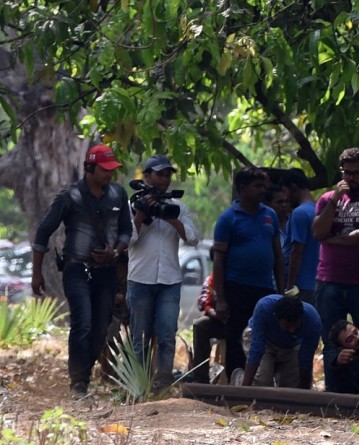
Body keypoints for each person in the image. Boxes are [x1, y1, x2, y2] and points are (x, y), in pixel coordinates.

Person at [31, 144, 133, 398]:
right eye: (104, 169)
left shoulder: (118, 195)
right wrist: (37, 273)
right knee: (83, 322)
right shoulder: (70, 197)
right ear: (90, 168)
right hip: (77, 269)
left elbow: (126, 231)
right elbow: (43, 232)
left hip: (107, 270)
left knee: (101, 326)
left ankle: (82, 373)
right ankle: (79, 383)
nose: (109, 174)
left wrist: (116, 252)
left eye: (112, 169)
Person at [311, 147, 359, 391]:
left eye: (356, 173)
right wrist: (335, 199)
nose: (350, 178)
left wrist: (332, 239)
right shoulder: (327, 199)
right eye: (346, 173)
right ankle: (335, 395)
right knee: (332, 343)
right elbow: (317, 232)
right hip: (329, 280)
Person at [126, 154, 199, 392]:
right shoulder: (133, 205)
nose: (164, 179)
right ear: (146, 176)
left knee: (167, 334)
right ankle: (140, 384)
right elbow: (128, 240)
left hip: (170, 280)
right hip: (140, 278)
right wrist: (141, 213)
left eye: (168, 174)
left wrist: (171, 218)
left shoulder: (178, 207)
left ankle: (163, 384)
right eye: (159, 174)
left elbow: (193, 238)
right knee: (140, 336)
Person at [213, 167, 284, 381]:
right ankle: (235, 384)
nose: (263, 190)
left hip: (265, 289)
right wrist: (221, 299)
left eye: (264, 186)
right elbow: (219, 260)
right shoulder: (228, 218)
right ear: (243, 189)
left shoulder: (270, 215)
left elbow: (278, 256)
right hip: (237, 288)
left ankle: (261, 382)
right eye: (258, 186)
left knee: (264, 337)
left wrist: (280, 292)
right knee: (236, 338)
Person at [232, 295, 321, 389]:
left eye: (295, 326)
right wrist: (244, 388)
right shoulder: (264, 308)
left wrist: (304, 392)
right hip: (262, 339)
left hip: (291, 346)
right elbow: (256, 349)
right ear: (276, 317)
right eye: (287, 326)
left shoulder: (313, 321)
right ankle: (239, 380)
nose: (292, 330)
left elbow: (306, 359)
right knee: (262, 382)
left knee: (291, 389)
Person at [280, 168, 319, 306]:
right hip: (317, 283)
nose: (286, 198)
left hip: (301, 285)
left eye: (285, 192)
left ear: (293, 188)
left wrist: (289, 286)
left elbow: (297, 250)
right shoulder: (319, 210)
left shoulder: (299, 213)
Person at [190, 248, 225, 384]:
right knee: (200, 325)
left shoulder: (237, 275)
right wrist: (213, 312)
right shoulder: (212, 279)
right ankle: (200, 378)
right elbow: (203, 301)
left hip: (238, 323)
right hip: (219, 321)